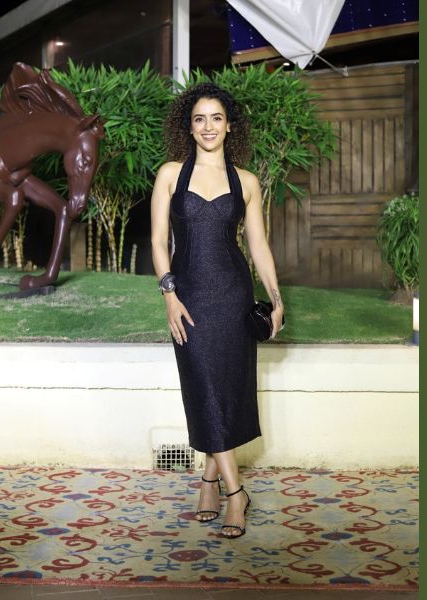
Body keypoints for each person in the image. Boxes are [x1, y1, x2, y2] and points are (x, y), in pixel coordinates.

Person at [150, 83, 285, 538]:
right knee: (203, 385)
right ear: (188, 127)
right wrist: (169, 294)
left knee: (225, 388)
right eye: (199, 119)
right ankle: (236, 492)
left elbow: (258, 245)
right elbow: (158, 241)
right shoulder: (171, 174)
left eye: (216, 118)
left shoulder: (246, 182)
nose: (208, 127)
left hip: (233, 296)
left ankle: (210, 481)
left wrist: (276, 298)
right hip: (187, 296)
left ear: (230, 126)